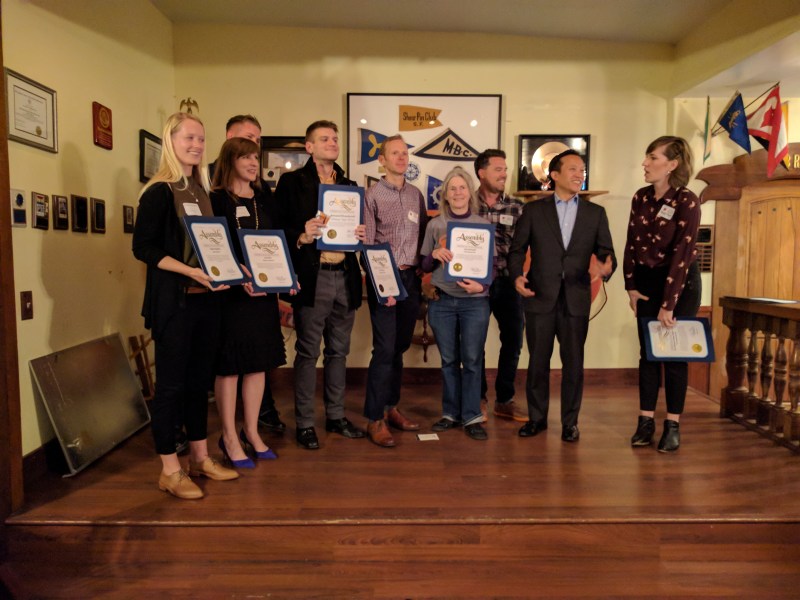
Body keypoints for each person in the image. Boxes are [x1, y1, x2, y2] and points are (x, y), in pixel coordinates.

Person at [132, 112, 238, 500]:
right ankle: (170, 470)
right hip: (174, 305)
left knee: (198, 386)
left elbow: (210, 246)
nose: (196, 145)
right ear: (171, 141)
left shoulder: (201, 190)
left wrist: (233, 267)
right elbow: (143, 248)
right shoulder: (159, 191)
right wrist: (191, 274)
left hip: (207, 303)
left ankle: (199, 458)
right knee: (171, 388)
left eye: (201, 139)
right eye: (188, 138)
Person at [508, 150, 615, 443]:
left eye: (582, 170)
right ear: (554, 175)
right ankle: (537, 419)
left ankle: (570, 423)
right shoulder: (533, 211)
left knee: (574, 364)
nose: (579, 174)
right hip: (540, 296)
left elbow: (607, 252)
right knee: (538, 362)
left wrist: (605, 267)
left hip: (576, 298)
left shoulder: (596, 214)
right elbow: (517, 250)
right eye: (572, 169)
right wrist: (517, 274)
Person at [276, 120, 367, 449]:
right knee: (307, 352)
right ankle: (304, 423)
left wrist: (360, 235)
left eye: (335, 138)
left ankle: (336, 416)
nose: (332, 142)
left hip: (345, 275)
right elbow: (277, 230)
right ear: (309, 146)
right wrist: (301, 234)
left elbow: (356, 232)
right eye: (324, 138)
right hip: (312, 278)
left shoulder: (349, 184)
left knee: (339, 353)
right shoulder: (292, 183)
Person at [210, 137, 288, 467]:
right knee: (230, 368)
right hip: (231, 296)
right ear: (230, 161)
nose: (254, 163)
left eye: (256, 157)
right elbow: (210, 245)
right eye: (245, 157)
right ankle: (228, 435)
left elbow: (275, 244)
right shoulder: (216, 200)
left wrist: (287, 278)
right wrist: (237, 273)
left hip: (262, 296)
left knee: (257, 365)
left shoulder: (264, 199)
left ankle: (252, 432)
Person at [625, 136, 701, 453]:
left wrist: (669, 305)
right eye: (646, 156)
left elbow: (683, 255)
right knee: (647, 355)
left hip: (679, 286)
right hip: (646, 284)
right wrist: (630, 286)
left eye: (652, 157)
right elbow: (630, 243)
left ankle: (672, 425)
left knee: (673, 356)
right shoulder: (640, 197)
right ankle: (645, 422)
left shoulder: (687, 200)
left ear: (671, 165)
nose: (645, 162)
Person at [421, 166, 496, 441]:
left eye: (462, 187)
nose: (457, 192)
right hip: (443, 302)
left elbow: (492, 266)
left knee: (473, 360)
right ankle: (450, 413)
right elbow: (423, 264)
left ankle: (472, 415)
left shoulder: (483, 225)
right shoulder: (434, 224)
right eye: (452, 188)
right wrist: (434, 255)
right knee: (449, 360)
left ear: (469, 192)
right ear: (445, 194)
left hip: (475, 302)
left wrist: (483, 285)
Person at [362, 135, 428, 447]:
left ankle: (391, 408)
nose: (401, 158)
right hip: (384, 279)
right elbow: (368, 244)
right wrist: (381, 283)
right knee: (384, 349)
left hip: (411, 281)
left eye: (404, 153)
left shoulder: (416, 195)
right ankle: (374, 419)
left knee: (400, 347)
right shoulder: (372, 195)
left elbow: (425, 238)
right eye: (395, 154)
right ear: (382, 160)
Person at [474, 149, 527, 423]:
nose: (504, 174)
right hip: (476, 285)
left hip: (507, 282)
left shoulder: (518, 207)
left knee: (514, 340)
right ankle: (479, 398)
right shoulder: (466, 203)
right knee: (475, 342)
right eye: (498, 169)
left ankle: (504, 400)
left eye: (505, 169)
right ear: (481, 172)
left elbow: (528, 246)